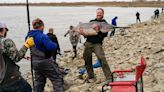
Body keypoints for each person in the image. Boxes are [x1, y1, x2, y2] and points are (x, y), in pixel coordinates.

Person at [25, 18, 64, 92]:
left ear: (33, 27)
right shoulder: (42, 36)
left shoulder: (28, 36)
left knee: (39, 81)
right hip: (45, 61)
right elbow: (51, 47)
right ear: (42, 26)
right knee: (56, 78)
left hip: (35, 62)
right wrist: (55, 44)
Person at [0, 21, 33, 92]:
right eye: (6, 29)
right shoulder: (6, 41)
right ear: (3, 29)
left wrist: (22, 56)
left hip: (1, 84)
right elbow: (16, 58)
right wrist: (26, 45)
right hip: (11, 79)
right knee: (28, 89)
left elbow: (4, 54)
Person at [81, 8, 112, 83]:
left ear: (103, 14)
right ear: (96, 13)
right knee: (87, 59)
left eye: (100, 13)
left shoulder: (105, 23)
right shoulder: (91, 22)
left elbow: (105, 35)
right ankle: (91, 77)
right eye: (98, 13)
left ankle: (109, 78)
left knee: (102, 59)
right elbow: (86, 34)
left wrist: (98, 31)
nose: (99, 14)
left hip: (97, 44)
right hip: (88, 42)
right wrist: (82, 33)